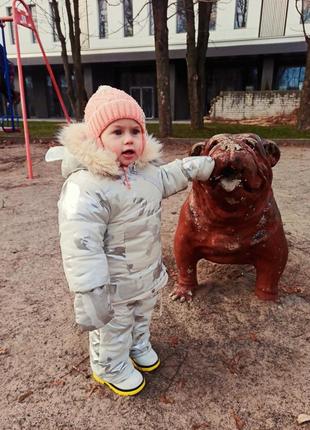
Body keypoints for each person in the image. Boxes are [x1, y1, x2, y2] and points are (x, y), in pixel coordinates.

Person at [48, 85, 215, 396]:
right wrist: (90, 289)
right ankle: (108, 365)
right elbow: (80, 243)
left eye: (135, 131)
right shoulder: (86, 186)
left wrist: (192, 167)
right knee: (114, 325)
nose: (129, 139)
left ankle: (138, 345)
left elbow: (167, 178)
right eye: (117, 132)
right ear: (97, 138)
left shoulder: (145, 173)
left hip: (144, 274)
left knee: (141, 315)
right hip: (111, 284)